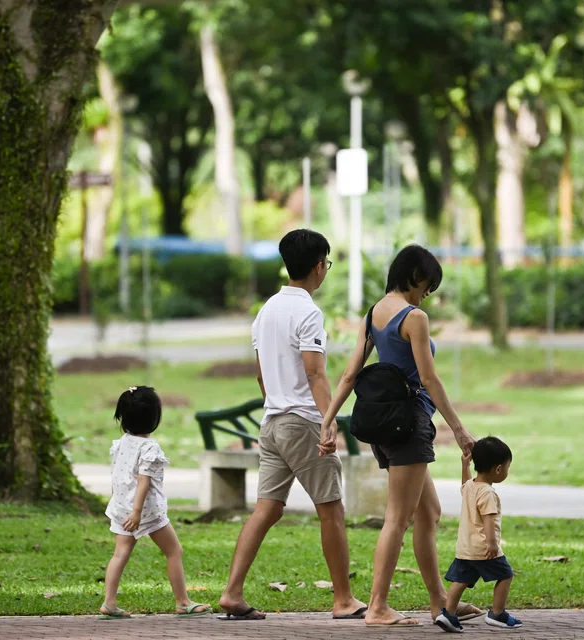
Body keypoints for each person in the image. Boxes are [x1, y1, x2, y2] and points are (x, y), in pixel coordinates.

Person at [319, 244, 482, 627]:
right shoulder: (415, 318)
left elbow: (349, 374)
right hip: (409, 424)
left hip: (385, 424)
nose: (429, 292)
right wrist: (458, 429)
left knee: (429, 512)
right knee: (398, 518)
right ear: (413, 274)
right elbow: (429, 378)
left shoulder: (373, 314)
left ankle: (441, 603)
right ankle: (377, 607)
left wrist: (328, 420)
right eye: (428, 283)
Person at [218, 229, 367, 621]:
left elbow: (261, 377)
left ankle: (232, 592)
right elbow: (316, 373)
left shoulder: (266, 311)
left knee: (266, 510)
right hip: (301, 421)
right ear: (319, 267)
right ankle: (343, 599)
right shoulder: (308, 312)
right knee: (331, 509)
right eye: (327, 265)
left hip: (272, 423)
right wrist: (328, 420)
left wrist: (277, 404)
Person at [99, 386, 212, 620]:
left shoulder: (121, 443)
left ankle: (109, 602)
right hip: (146, 512)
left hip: (121, 508)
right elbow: (143, 482)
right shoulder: (149, 448)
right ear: (154, 418)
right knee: (174, 551)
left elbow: (120, 476)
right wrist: (138, 512)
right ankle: (182, 601)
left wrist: (126, 508)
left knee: (119, 554)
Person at [440, 437, 522, 632]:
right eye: (507, 467)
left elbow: (464, 483)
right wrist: (493, 544)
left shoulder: (470, 487)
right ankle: (497, 614)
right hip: (483, 547)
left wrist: (464, 466)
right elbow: (489, 520)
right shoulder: (488, 493)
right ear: (498, 469)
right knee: (505, 575)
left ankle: (448, 615)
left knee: (460, 581)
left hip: (465, 547)